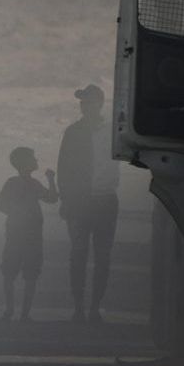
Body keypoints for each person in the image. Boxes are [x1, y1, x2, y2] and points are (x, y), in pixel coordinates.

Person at [56, 84, 120, 323]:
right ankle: (79, 307)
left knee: (102, 256)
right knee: (79, 254)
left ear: (100, 104)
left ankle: (94, 307)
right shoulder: (73, 132)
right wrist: (66, 198)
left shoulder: (113, 131)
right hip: (80, 200)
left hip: (104, 199)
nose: (84, 106)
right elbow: (63, 168)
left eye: (89, 102)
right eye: (83, 103)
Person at [0, 146, 58, 322]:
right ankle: (20, 312)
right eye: (33, 158)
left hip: (22, 234)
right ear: (25, 163)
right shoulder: (25, 184)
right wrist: (51, 180)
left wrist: (51, 180)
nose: (36, 161)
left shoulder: (23, 183)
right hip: (26, 235)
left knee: (14, 273)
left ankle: (14, 311)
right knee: (24, 273)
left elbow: (51, 199)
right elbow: (52, 198)